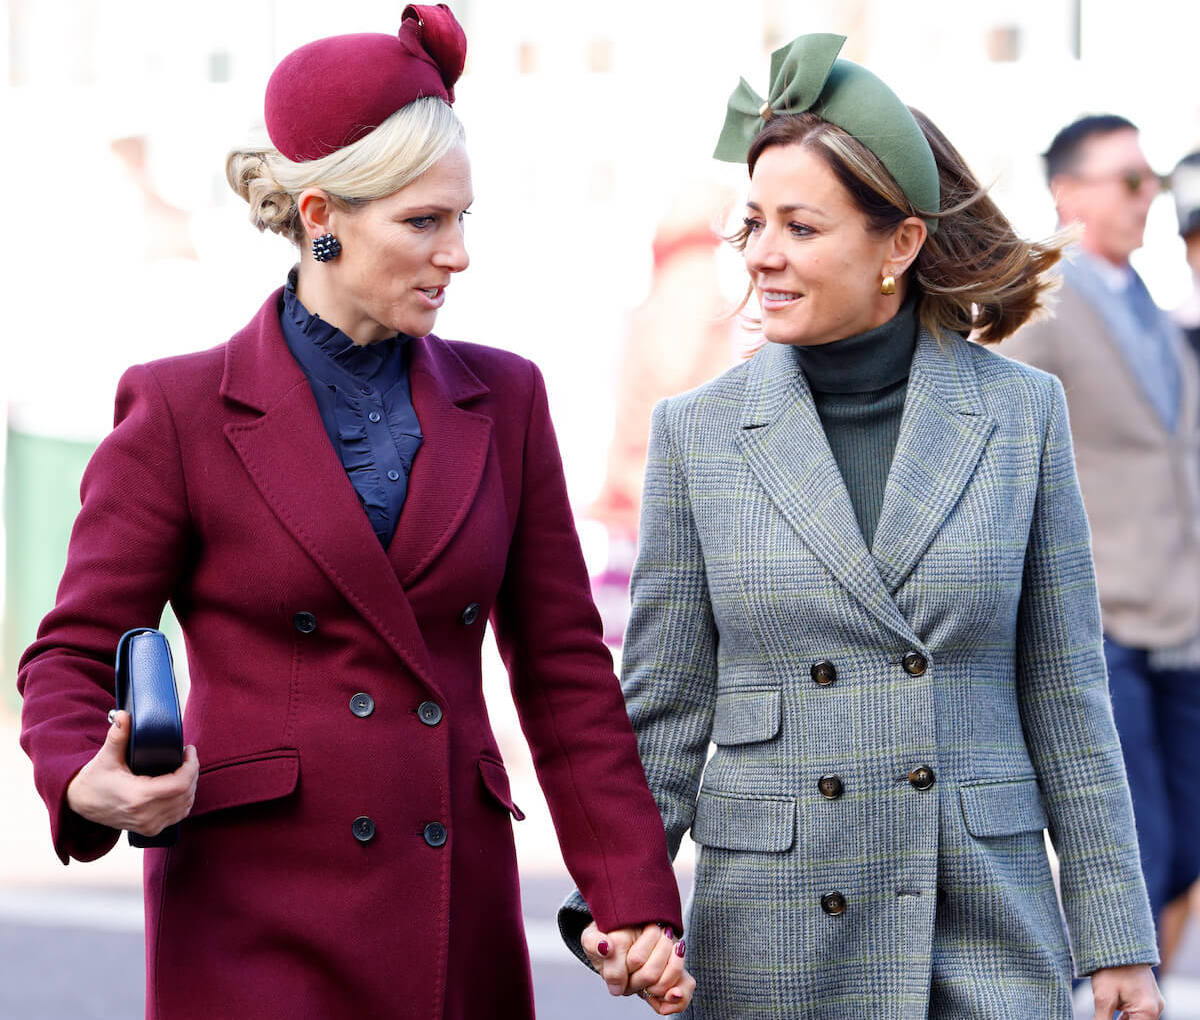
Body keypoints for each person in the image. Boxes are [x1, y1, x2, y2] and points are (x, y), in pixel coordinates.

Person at [17, 7, 692, 1018]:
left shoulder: (505, 400)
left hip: (449, 906)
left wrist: (632, 895)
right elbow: (70, 651)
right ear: (323, 215)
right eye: (424, 222)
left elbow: (561, 671)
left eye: (463, 218)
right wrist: (82, 777)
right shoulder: (181, 408)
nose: (457, 253)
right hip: (252, 917)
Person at [559, 33, 1163, 1018]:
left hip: (980, 926)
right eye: (753, 222)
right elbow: (664, 704)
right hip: (773, 932)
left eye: (801, 226)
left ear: (900, 245)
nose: (761, 254)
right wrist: (620, 904)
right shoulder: (698, 434)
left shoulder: (1021, 416)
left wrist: (1116, 942)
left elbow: (1065, 691)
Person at [1003, 116, 1200, 956]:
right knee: (1139, 846)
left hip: (1181, 618)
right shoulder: (1043, 293)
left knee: (1188, 841)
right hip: (1103, 619)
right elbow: (1001, 434)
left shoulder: (1148, 302)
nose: (1147, 194)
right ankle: (1112, 991)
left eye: (1150, 178)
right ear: (1069, 192)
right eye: (1128, 180)